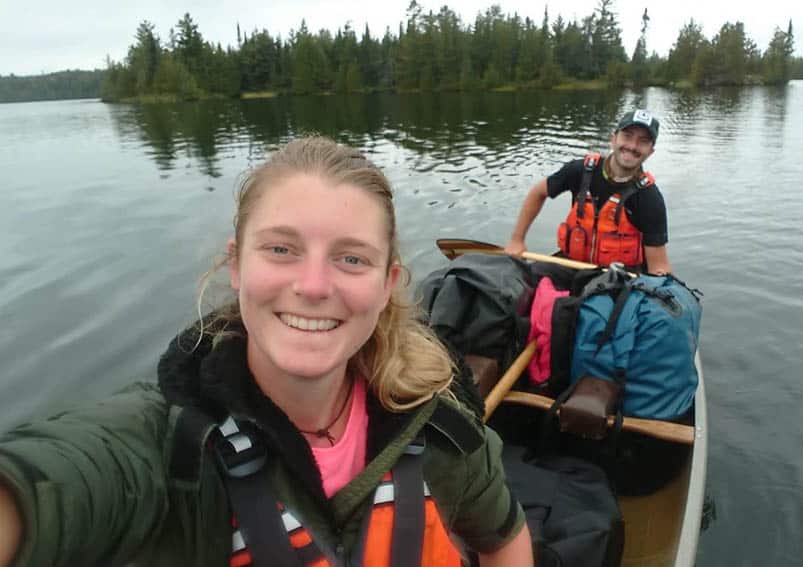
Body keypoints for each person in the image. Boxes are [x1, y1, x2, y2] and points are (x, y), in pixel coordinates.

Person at [0, 137, 532, 566]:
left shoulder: (441, 432)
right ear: (236, 265)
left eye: (352, 259)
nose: (314, 285)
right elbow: (52, 482)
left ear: (388, 283)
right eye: (281, 249)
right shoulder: (161, 450)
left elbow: (504, 537)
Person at [505, 109, 673, 275]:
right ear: (613, 139)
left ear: (650, 152)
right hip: (571, 268)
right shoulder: (580, 171)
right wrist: (517, 240)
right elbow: (538, 193)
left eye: (643, 141)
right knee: (522, 281)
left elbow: (659, 267)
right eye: (627, 136)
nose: (632, 146)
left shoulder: (649, 198)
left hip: (617, 282)